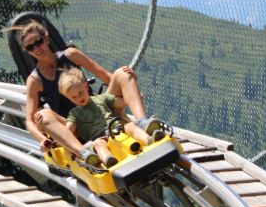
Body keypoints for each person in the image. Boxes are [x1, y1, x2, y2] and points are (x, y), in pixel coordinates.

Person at [11, 20, 166, 159]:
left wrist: (129, 83)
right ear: (27, 51)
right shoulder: (34, 80)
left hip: (98, 108)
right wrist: (42, 139)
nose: (36, 48)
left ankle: (142, 123)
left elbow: (105, 76)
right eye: (30, 47)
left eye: (38, 42)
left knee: (122, 73)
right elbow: (30, 120)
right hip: (74, 125)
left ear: (46, 38)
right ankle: (84, 152)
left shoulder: (71, 55)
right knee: (43, 115)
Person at [58, 68, 163, 167]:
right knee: (99, 144)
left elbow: (125, 101)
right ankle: (108, 160)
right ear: (69, 98)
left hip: (116, 128)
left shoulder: (101, 99)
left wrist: (134, 90)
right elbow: (68, 132)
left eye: (80, 93)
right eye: (74, 97)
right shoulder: (74, 114)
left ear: (86, 86)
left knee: (130, 126)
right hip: (98, 137)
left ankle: (149, 139)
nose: (79, 98)